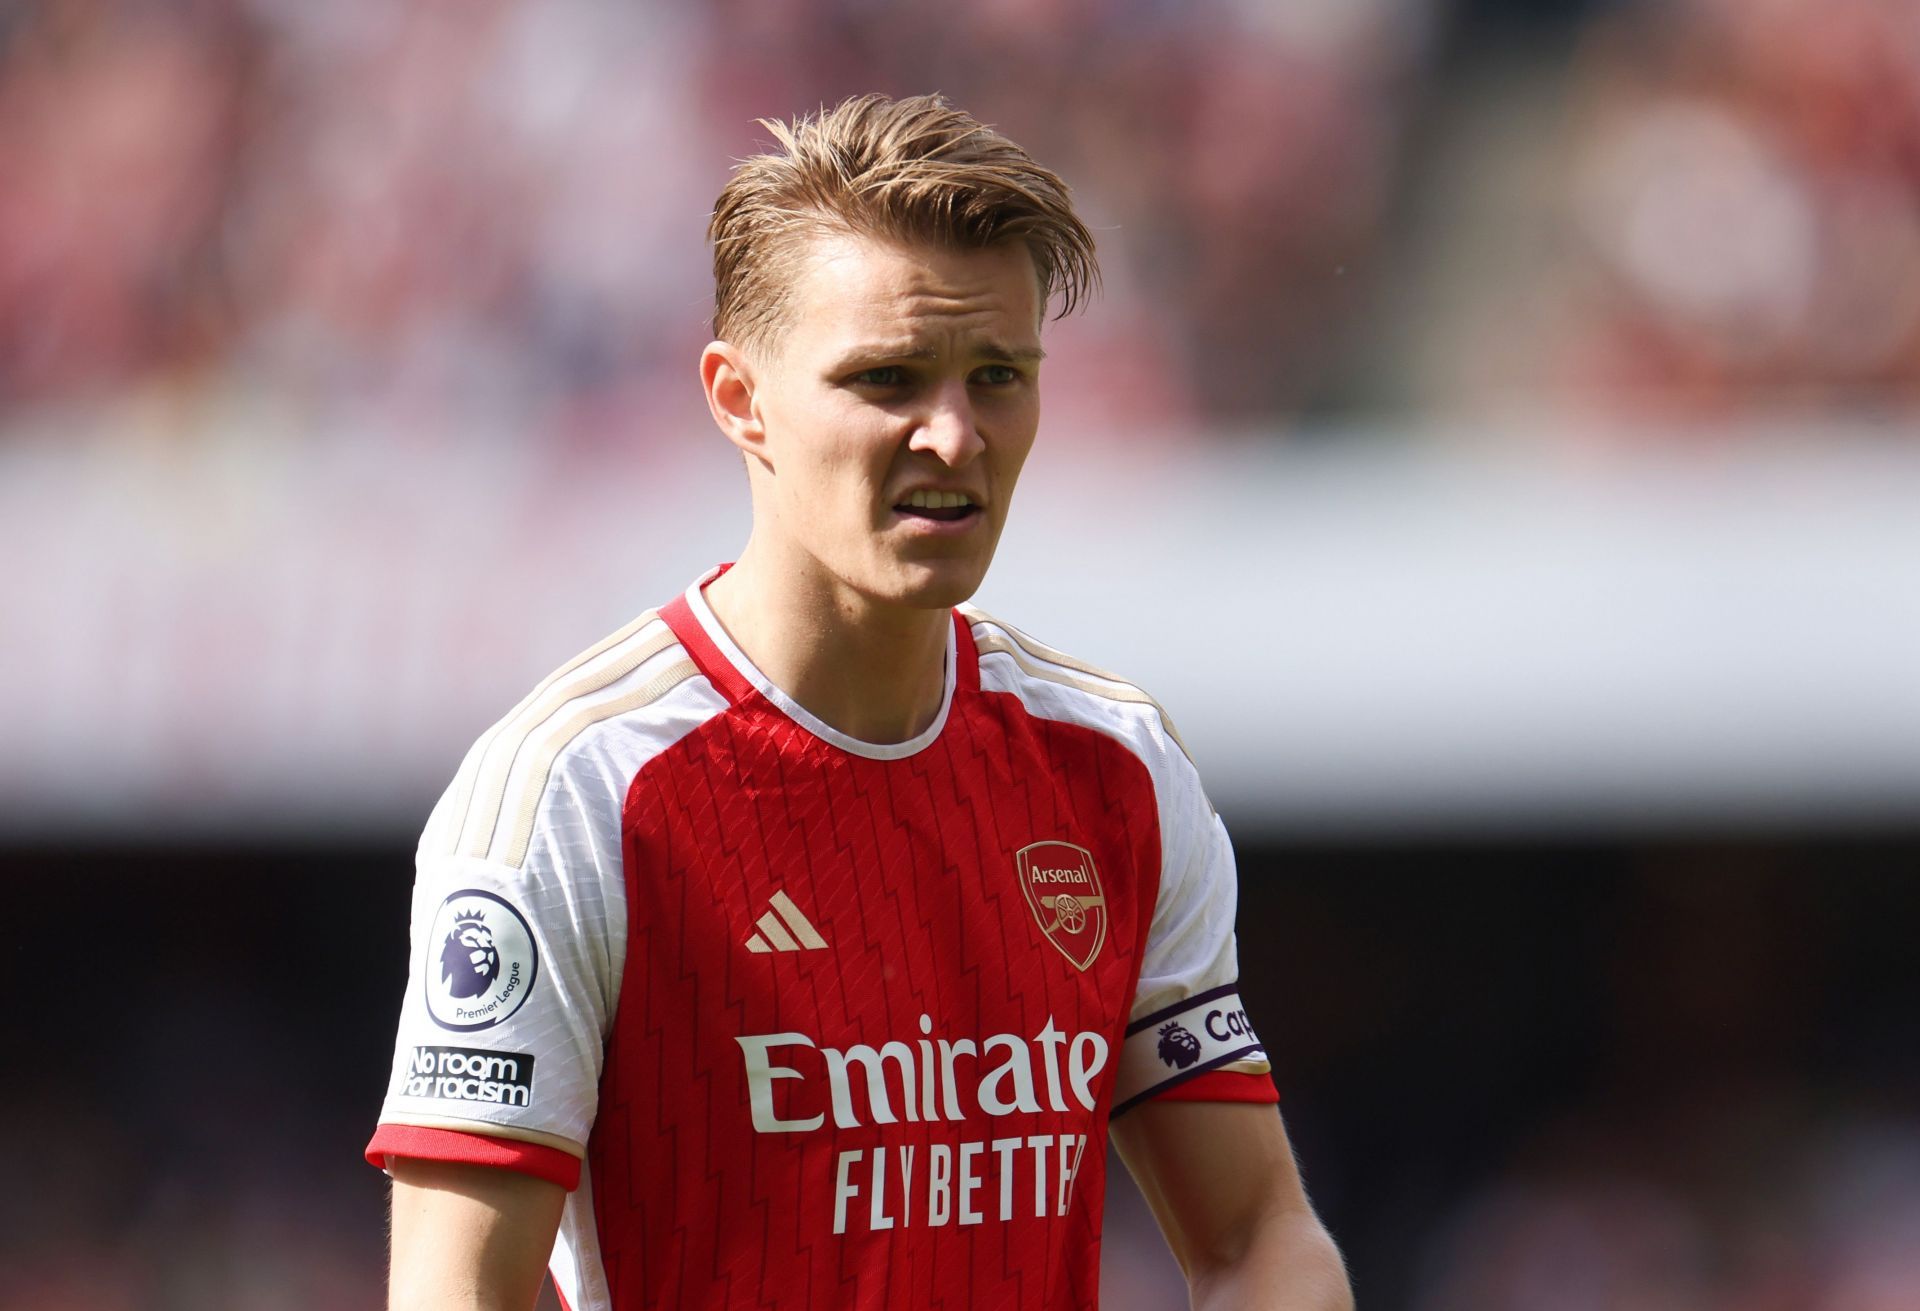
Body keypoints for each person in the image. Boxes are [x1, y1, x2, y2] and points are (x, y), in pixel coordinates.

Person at [368, 93, 1351, 1311]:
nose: (954, 434)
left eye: (998, 375)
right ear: (741, 400)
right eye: (887, 379)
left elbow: (1259, 1231)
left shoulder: (1117, 768)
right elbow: (456, 1293)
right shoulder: (573, 798)